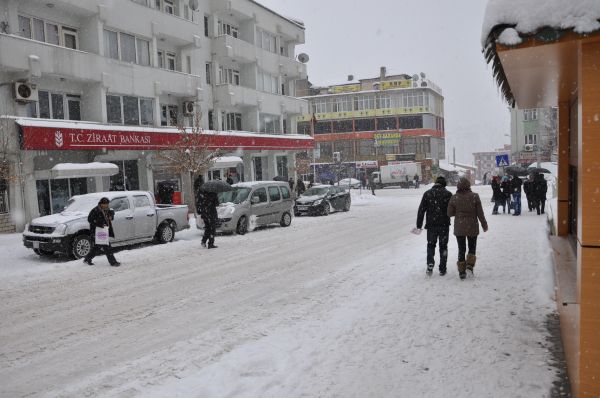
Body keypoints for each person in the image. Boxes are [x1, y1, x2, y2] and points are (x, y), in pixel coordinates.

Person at [447, 178, 488, 280]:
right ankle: (470, 266)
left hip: (459, 227)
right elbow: (480, 213)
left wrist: (458, 211)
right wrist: (484, 224)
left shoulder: (454, 197)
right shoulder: (475, 196)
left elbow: (449, 213)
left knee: (461, 248)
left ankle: (461, 271)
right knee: (472, 247)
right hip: (472, 226)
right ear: (469, 185)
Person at [416, 176, 453, 276]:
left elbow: (421, 210)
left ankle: (430, 264)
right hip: (444, 225)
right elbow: (452, 210)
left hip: (431, 225)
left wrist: (419, 225)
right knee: (443, 246)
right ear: (444, 184)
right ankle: (442, 268)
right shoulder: (448, 194)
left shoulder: (427, 193)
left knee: (431, 245)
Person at [83, 197, 120, 266]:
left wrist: (111, 216)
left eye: (107, 204)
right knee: (107, 246)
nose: (107, 205)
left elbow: (111, 216)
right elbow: (90, 219)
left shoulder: (107, 209)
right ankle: (113, 262)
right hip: (97, 231)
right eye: (105, 204)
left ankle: (87, 258)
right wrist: (99, 224)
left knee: (97, 247)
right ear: (101, 204)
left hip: (104, 231)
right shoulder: (95, 210)